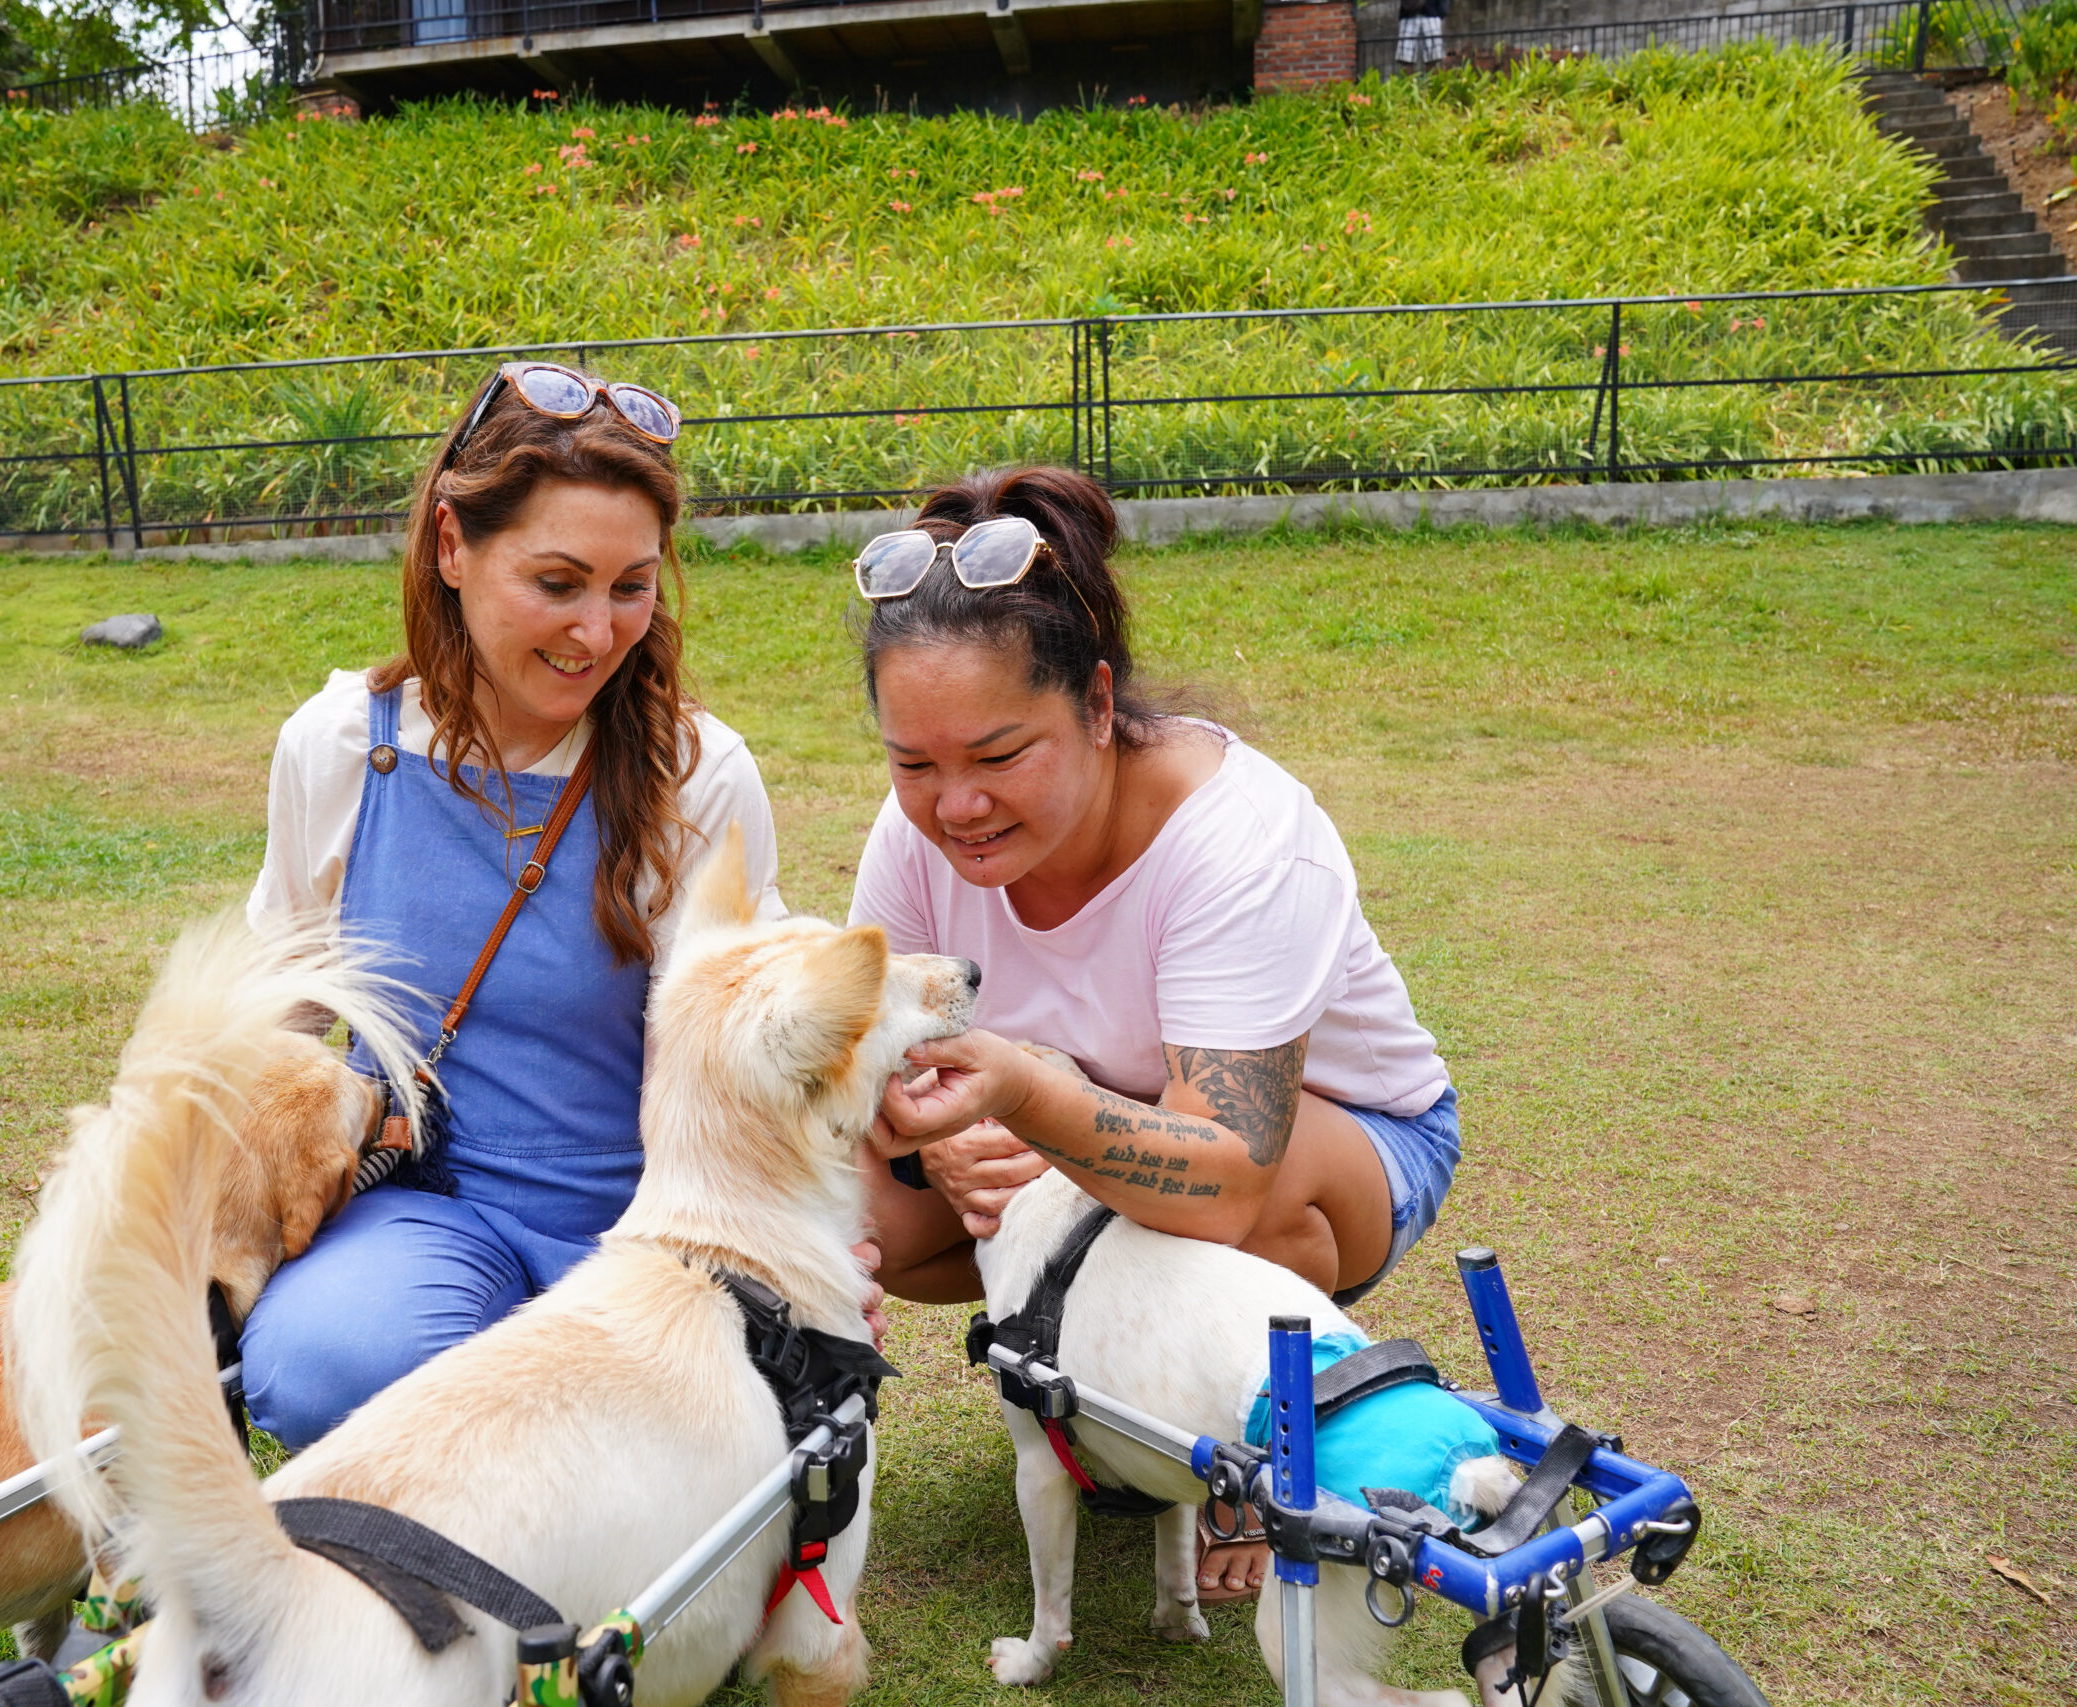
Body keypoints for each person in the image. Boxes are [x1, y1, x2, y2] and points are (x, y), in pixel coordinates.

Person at [846, 467, 1460, 1603]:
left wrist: (1027, 1099)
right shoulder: (915, 830)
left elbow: (1226, 1181)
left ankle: (1240, 1459)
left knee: (1257, 1218)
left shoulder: (1238, 834)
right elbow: (867, 1055)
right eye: (913, 763)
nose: (953, 807)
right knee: (860, 1204)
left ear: (1094, 703)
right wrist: (930, 1142)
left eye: (997, 755)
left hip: (1334, 1146)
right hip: (1083, 1128)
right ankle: (1110, 1388)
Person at [238, 361, 786, 1452]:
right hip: (421, 1209)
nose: (597, 630)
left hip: (642, 1236)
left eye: (631, 586)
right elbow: (277, 1021)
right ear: (452, 546)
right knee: (324, 1366)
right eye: (557, 582)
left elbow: (747, 1064)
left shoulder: (699, 774)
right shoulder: (340, 744)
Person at [1396, 0, 1447, 70]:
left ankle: (1431, 80)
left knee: (1433, 58)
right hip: (1409, 14)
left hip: (1431, 13)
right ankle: (1408, 81)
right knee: (1405, 59)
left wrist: (1442, 10)